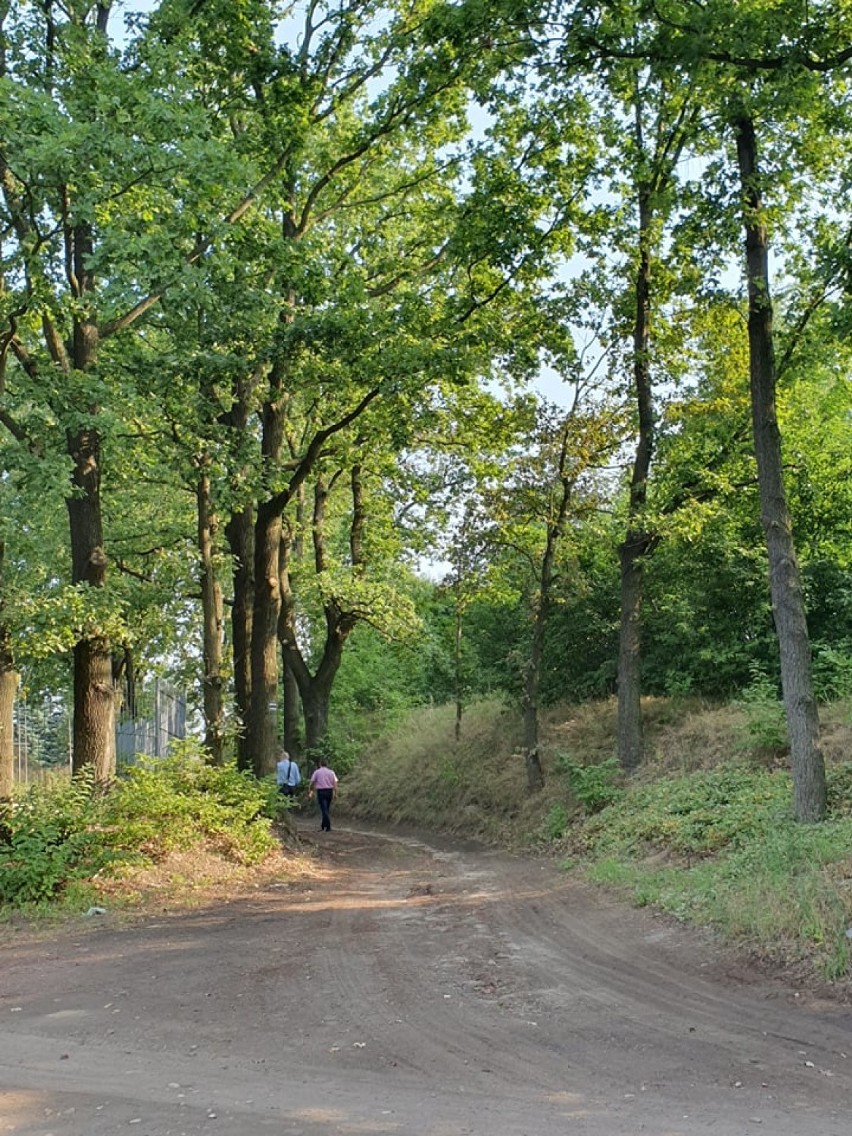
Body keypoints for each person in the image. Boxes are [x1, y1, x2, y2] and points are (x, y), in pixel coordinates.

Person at [308, 757, 338, 832]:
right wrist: (335, 793)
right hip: (329, 791)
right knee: (326, 808)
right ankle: (323, 826)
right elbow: (335, 783)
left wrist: (310, 791)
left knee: (324, 809)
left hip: (321, 791)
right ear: (327, 764)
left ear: (320, 764)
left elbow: (312, 782)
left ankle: (328, 826)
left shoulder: (317, 772)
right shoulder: (331, 772)